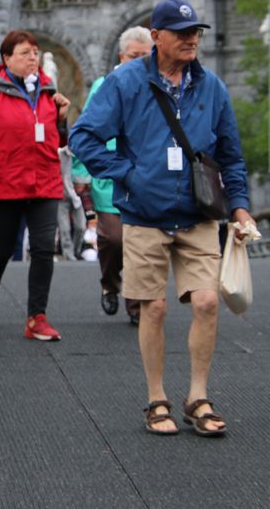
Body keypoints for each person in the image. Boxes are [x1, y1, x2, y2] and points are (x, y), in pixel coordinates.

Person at [71, 0, 254, 437]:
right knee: (152, 308)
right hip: (145, 213)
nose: (191, 39)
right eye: (181, 32)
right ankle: (156, 398)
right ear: (156, 36)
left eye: (196, 32)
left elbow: (230, 154)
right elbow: (83, 137)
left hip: (197, 212)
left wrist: (241, 205)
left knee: (207, 302)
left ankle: (198, 396)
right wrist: (127, 176)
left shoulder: (212, 87)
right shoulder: (125, 82)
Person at [0, 29, 70, 341]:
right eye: (25, 53)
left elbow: (59, 140)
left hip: (44, 181)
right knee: (1, 249)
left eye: (35, 52)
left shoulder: (48, 90)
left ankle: (37, 317)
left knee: (44, 248)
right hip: (4, 182)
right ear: (7, 58)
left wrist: (62, 119)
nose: (33, 57)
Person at [86, 25, 153, 325]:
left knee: (140, 242)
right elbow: (85, 133)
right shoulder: (104, 86)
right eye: (134, 56)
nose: (140, 61)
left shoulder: (158, 86)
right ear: (121, 56)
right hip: (110, 178)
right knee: (114, 239)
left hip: (146, 179)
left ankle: (137, 305)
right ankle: (110, 283)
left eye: (145, 55)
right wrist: (82, 174)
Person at [56, 147, 86, 261]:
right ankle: (68, 255)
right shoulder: (60, 154)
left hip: (77, 197)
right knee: (65, 228)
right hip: (62, 196)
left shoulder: (83, 152)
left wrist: (84, 183)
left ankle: (76, 251)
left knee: (81, 226)